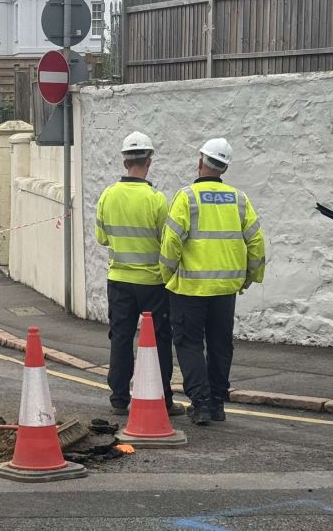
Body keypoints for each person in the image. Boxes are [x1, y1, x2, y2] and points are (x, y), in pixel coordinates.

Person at [159, 138, 265, 425]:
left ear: (200, 162)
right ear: (224, 168)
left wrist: (167, 275)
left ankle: (201, 403)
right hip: (225, 289)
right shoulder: (239, 199)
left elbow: (171, 243)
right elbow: (256, 241)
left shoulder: (187, 197)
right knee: (220, 344)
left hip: (189, 289)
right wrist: (250, 277)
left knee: (189, 343)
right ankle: (217, 403)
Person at [95, 132, 184, 417]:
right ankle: (163, 398)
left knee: (120, 338)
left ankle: (119, 398)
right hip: (152, 283)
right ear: (149, 162)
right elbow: (166, 240)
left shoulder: (107, 195)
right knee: (158, 339)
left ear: (125, 162)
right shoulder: (157, 200)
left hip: (119, 280)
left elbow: (101, 238)